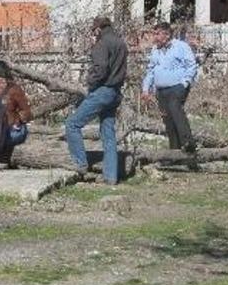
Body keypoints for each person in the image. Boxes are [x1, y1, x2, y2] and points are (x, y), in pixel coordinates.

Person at [66, 17, 128, 185]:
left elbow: (100, 69)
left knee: (72, 124)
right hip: (115, 92)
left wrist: (89, 81)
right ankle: (110, 177)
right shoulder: (121, 43)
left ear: (99, 29)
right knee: (108, 134)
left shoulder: (101, 44)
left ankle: (80, 164)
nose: (93, 35)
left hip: (102, 91)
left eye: (93, 31)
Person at [140, 22, 198, 156]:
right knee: (168, 120)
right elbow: (151, 70)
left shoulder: (181, 47)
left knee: (175, 108)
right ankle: (175, 152)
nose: (155, 37)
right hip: (161, 90)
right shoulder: (155, 50)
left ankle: (188, 143)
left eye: (157, 34)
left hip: (177, 87)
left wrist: (185, 83)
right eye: (154, 34)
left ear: (166, 35)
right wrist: (145, 89)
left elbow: (191, 65)